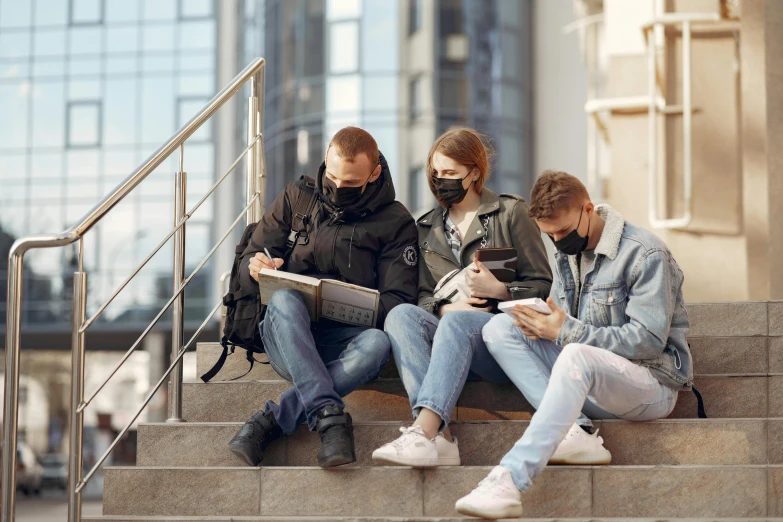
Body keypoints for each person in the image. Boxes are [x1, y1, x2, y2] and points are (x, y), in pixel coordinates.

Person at [454, 170, 693, 519]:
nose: (558, 242)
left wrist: (565, 331)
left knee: (577, 352)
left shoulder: (645, 253)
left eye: (563, 232)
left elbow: (648, 342)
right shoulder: (567, 254)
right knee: (499, 329)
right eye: (550, 235)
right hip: (586, 380)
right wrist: (540, 324)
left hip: (650, 385)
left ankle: (508, 480)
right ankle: (575, 430)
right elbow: (563, 324)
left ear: (588, 209)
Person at [228, 127, 418, 468]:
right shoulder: (296, 197)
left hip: (344, 338)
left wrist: (341, 301)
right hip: (286, 333)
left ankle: (272, 420)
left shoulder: (396, 222)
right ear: (325, 160)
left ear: (374, 174)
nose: (337, 188)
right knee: (286, 299)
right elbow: (246, 265)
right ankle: (329, 418)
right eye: (331, 177)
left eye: (350, 183)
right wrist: (255, 268)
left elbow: (398, 301)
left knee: (377, 343)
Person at [371, 127, 552, 467]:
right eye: (436, 173)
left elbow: (542, 283)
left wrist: (500, 292)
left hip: (495, 345)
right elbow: (420, 295)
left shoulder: (511, 213)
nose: (441, 180)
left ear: (474, 172)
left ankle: (424, 432)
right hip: (446, 340)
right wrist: (443, 308)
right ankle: (440, 437)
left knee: (458, 322)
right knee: (400, 315)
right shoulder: (423, 228)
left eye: (450, 173)